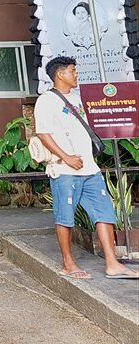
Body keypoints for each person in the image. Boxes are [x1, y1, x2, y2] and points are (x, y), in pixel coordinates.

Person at [34, 55, 137, 280]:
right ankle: (68, 263)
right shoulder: (47, 100)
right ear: (60, 74)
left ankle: (112, 263)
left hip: (90, 169)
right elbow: (43, 133)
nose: (76, 75)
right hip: (64, 169)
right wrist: (66, 157)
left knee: (104, 213)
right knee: (65, 217)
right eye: (72, 71)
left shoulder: (78, 98)